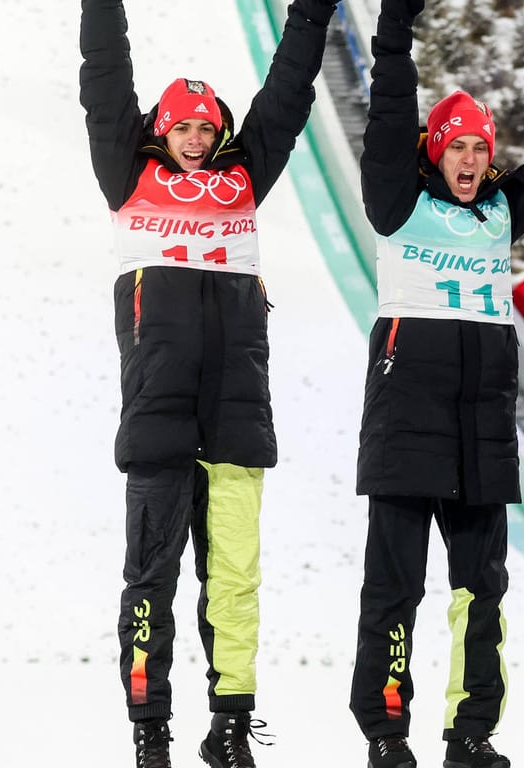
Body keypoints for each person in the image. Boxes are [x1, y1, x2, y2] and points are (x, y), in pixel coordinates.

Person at [79, 0, 339, 765]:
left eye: (204, 128)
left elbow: (287, 96)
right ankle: (150, 729)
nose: (194, 140)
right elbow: (104, 78)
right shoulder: (127, 174)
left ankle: (229, 726)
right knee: (150, 583)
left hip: (235, 420)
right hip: (158, 421)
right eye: (182, 127)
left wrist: (311, 16)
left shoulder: (243, 179)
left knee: (234, 584)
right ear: (161, 131)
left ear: (219, 133)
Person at [348, 1, 524, 766]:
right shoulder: (399, 203)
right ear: (435, 152)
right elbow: (387, 116)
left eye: (480, 152)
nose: (469, 162)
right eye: (456, 149)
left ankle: (471, 733)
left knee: (479, 595)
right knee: (394, 590)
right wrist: (394, 34)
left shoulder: (499, 213)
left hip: (481, 432)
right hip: (404, 420)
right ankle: (387, 731)